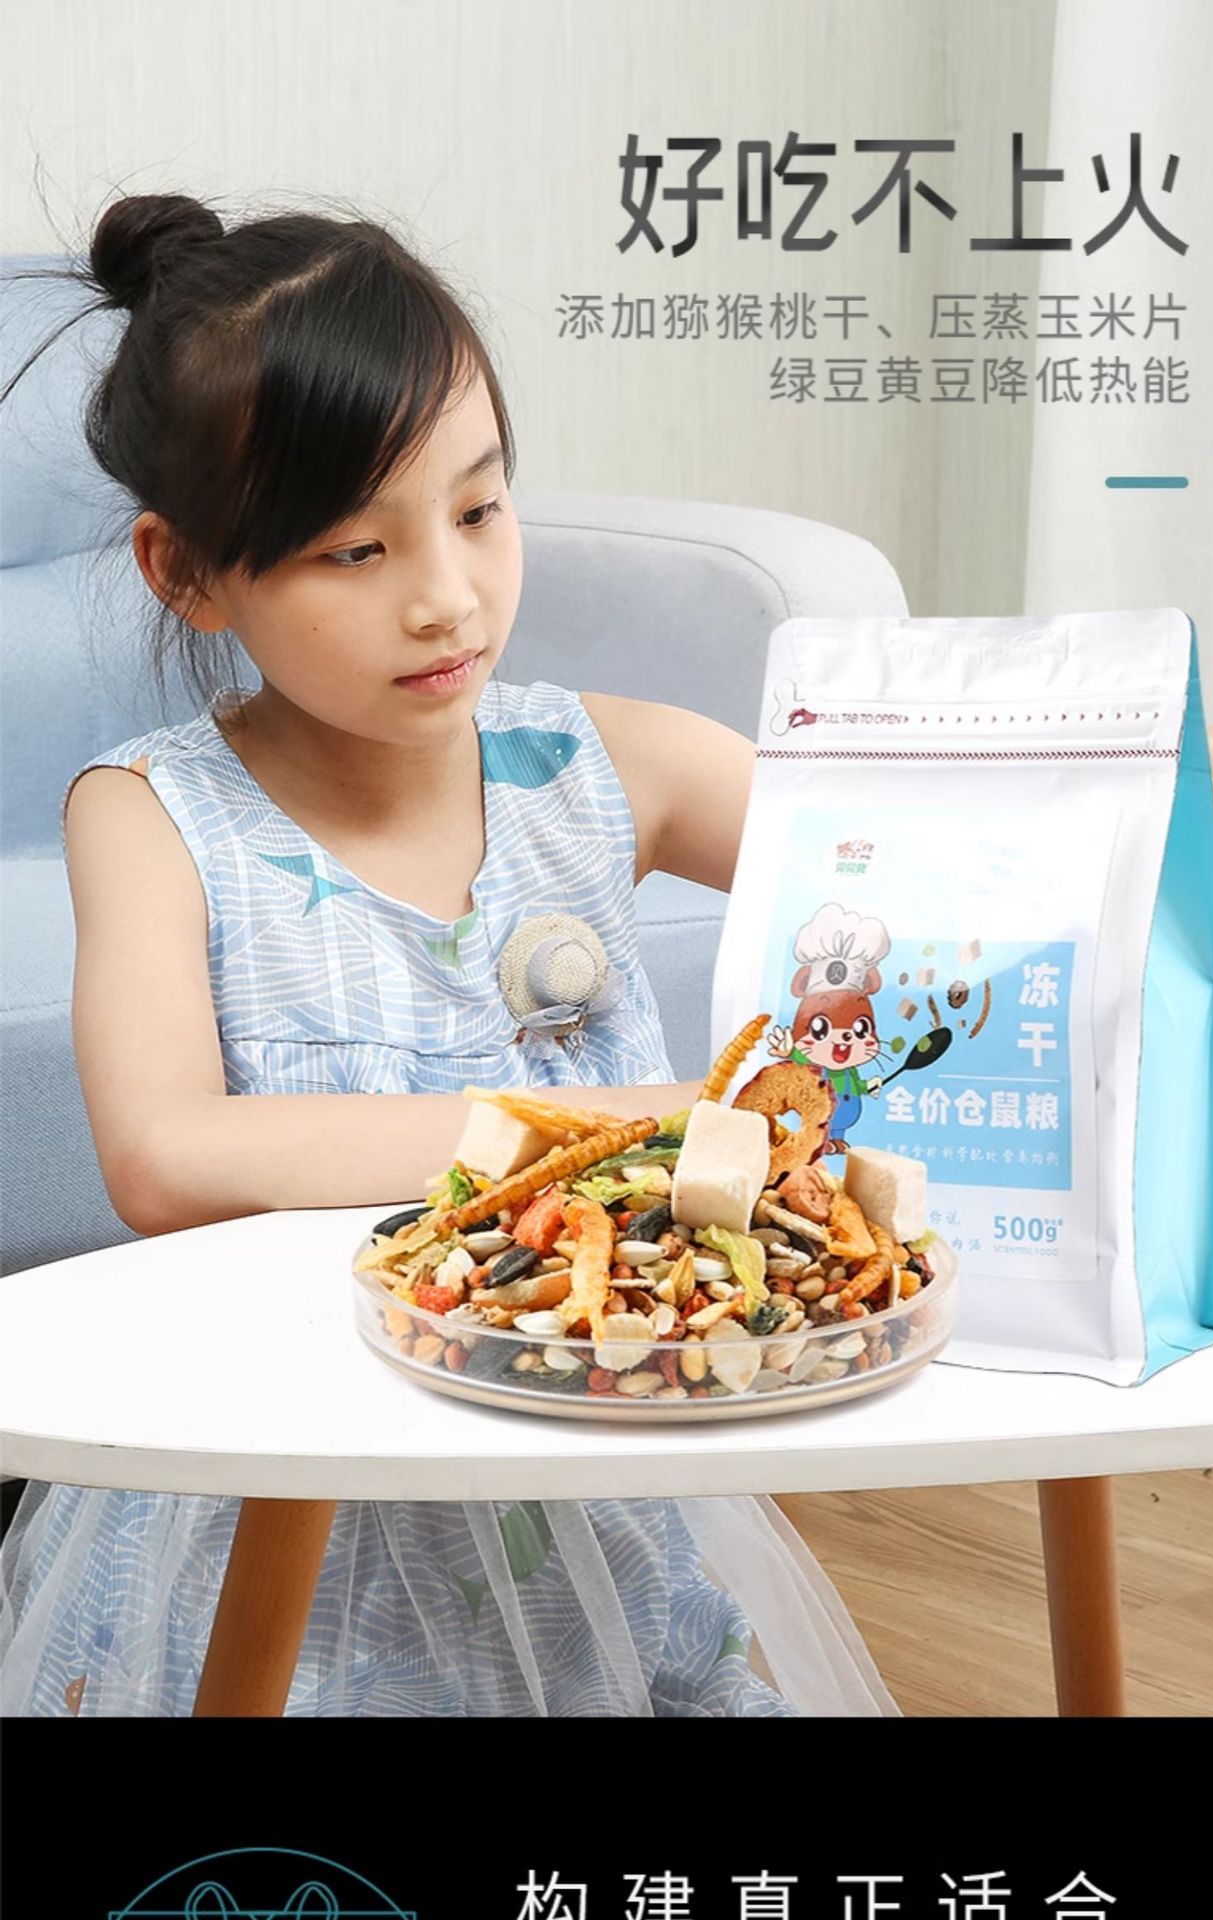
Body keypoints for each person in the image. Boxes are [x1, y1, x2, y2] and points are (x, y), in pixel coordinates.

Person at [0, 192, 902, 1717]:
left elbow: (905, 856)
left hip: (578, 1461)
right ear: (187, 572)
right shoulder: (152, 816)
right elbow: (166, 1154)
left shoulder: (604, 768)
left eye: (479, 511)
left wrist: (1118, 780)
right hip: (280, 1515)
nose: (446, 597)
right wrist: (627, 1125)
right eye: (356, 548)